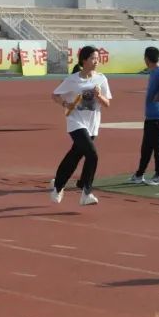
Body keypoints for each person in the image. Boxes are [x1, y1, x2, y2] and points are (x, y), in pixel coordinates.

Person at [50, 46, 112, 205]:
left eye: (97, 58)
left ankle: (58, 187)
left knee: (74, 156)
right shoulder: (73, 79)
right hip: (76, 122)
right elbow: (55, 95)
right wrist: (65, 104)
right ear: (84, 60)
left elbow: (107, 104)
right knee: (92, 154)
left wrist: (99, 96)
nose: (96, 61)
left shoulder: (101, 79)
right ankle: (86, 192)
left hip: (92, 124)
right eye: (93, 58)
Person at [128, 46, 159, 186]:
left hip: (158, 115)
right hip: (151, 115)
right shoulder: (154, 72)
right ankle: (139, 174)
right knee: (146, 147)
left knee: (157, 146)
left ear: (146, 59)